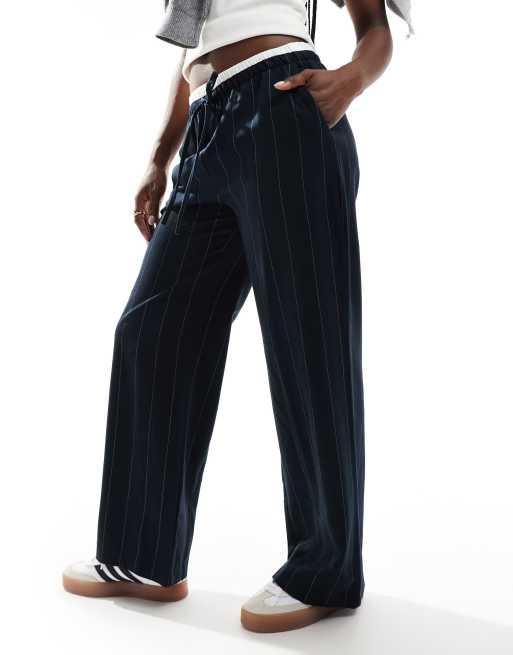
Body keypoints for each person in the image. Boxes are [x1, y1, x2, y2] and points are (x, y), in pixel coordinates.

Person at [62, 0, 413, 633]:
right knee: (152, 332)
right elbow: (193, 52)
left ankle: (325, 570)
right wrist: (159, 157)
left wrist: (350, 82)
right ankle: (143, 556)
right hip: (208, 124)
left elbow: (374, 28)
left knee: (308, 338)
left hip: (285, 106)